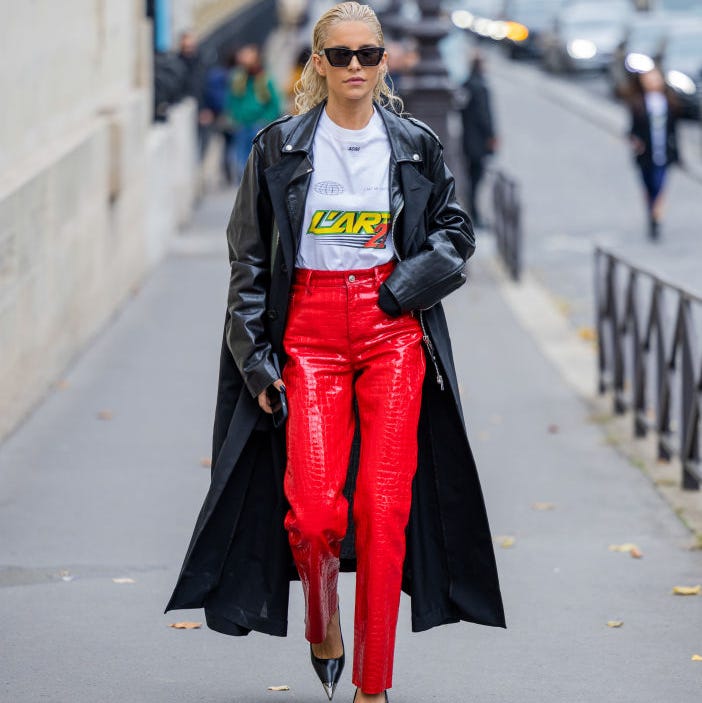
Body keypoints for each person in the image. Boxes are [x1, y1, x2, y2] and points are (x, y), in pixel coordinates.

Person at [165, 3, 506, 702]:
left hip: (391, 332)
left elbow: (454, 231)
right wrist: (255, 360)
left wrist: (398, 291)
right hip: (308, 335)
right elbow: (249, 264)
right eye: (342, 55)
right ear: (317, 63)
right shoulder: (279, 147)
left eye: (369, 54)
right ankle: (324, 626)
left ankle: (372, 687)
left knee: (384, 511)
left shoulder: (413, 143)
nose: (356, 67)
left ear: (385, 63)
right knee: (315, 514)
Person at [626, 65, 679, 240]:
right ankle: (652, 216)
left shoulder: (669, 103)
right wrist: (635, 142)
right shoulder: (639, 104)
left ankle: (656, 218)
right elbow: (631, 130)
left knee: (659, 186)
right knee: (649, 188)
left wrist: (677, 154)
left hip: (664, 155)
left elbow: (674, 132)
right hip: (646, 156)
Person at [225, 43, 281, 181]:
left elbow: (275, 103)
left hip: (259, 126)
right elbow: (232, 99)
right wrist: (235, 117)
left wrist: (266, 120)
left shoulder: (264, 78)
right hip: (242, 125)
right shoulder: (238, 78)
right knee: (240, 163)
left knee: (259, 163)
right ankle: (245, 193)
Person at [460, 51, 497, 228]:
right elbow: (485, 116)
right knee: (476, 179)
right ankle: (475, 216)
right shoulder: (480, 87)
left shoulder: (466, 84)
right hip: (478, 142)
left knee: (472, 179)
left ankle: (473, 213)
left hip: (467, 139)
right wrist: (491, 136)